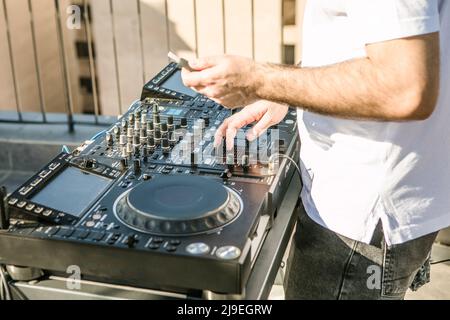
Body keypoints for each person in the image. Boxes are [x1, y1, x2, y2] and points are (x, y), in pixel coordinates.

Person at [182, 0, 450, 299]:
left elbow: (405, 88)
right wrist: (282, 94)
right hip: (367, 200)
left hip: (360, 216)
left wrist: (259, 80)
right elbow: (351, 46)